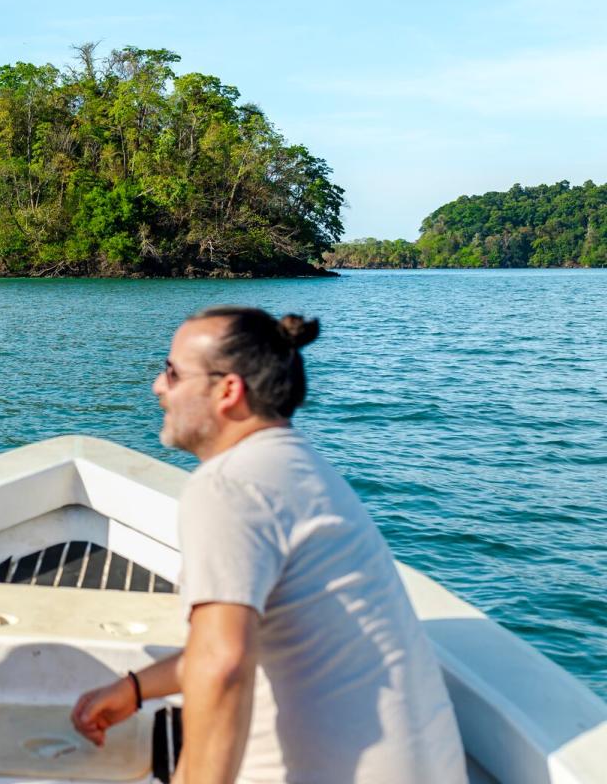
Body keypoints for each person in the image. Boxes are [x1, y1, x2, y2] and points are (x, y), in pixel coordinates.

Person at [70, 306, 467, 784]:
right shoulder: (297, 468)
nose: (158, 386)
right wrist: (135, 689)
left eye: (172, 373)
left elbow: (223, 666)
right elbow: (243, 646)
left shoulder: (229, 486)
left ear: (228, 390)